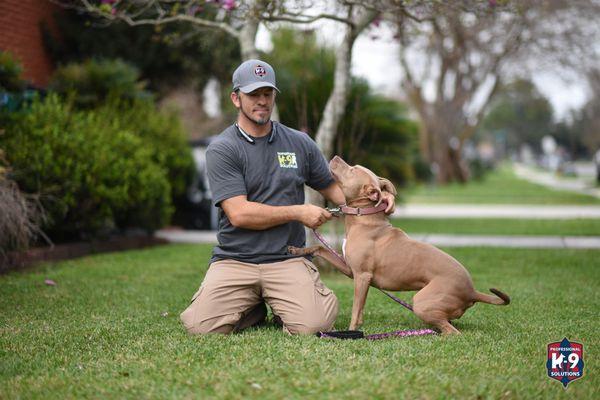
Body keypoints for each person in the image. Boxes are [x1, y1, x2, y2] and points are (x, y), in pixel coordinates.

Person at [180, 59, 395, 335]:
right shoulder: (223, 149)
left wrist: (377, 201)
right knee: (200, 328)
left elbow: (338, 193)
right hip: (236, 260)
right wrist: (298, 212)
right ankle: (252, 306)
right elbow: (239, 213)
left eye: (267, 94)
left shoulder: (299, 143)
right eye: (253, 94)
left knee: (313, 325)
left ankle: (276, 301)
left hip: (287, 258)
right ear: (236, 98)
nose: (262, 101)